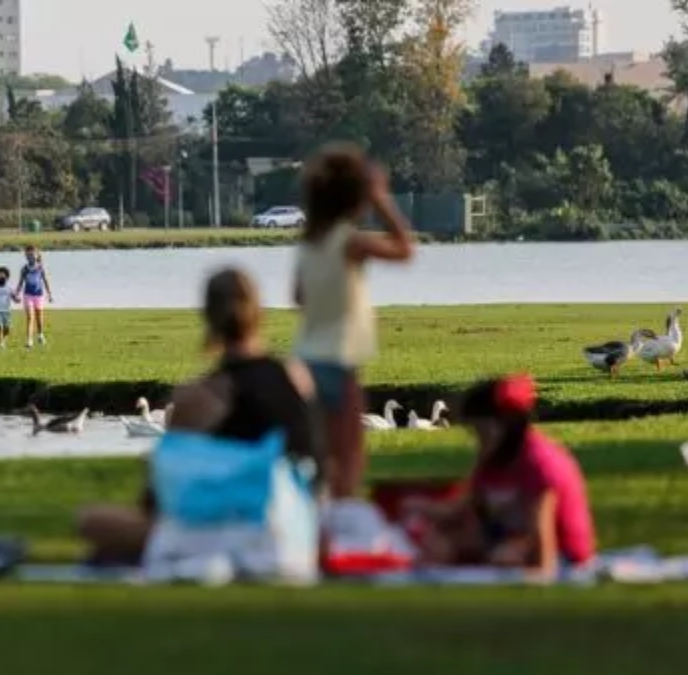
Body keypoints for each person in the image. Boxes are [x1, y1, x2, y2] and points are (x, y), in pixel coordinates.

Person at [77, 268, 323, 566]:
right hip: (299, 529)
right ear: (259, 312)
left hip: (237, 532)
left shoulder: (200, 396)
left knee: (91, 521)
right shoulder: (298, 377)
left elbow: (157, 500)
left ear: (208, 317)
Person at [294, 143, 415, 499]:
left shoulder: (309, 244)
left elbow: (299, 297)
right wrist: (381, 198)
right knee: (349, 458)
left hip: (306, 359)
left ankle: (316, 524)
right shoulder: (351, 242)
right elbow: (405, 248)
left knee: (319, 456)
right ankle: (341, 525)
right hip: (340, 360)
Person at [408, 375, 596, 575]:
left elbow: (542, 539)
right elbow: (464, 509)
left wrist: (535, 572)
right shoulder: (493, 460)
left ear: (505, 426)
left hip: (562, 557)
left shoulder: (539, 463)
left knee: (503, 555)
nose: (479, 440)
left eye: (481, 431)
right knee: (443, 541)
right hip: (506, 541)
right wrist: (421, 508)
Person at [15, 245, 53, 349]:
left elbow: (45, 280)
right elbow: (20, 282)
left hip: (39, 295)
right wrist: (16, 293)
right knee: (30, 317)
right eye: (28, 255)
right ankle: (29, 341)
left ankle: (40, 334)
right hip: (28, 295)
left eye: (32, 255)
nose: (30, 257)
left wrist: (49, 294)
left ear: (37, 255)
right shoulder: (24, 269)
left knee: (39, 317)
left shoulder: (41, 267)